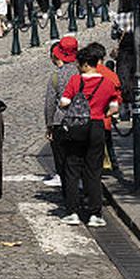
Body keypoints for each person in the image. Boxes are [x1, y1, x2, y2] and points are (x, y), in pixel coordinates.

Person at [50, 42, 121, 227]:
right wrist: (102, 112)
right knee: (94, 170)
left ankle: (73, 211)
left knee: (72, 168)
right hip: (97, 126)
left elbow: (64, 102)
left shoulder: (76, 81)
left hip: (77, 128)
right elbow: (114, 107)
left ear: (84, 64)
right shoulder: (107, 82)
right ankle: (95, 214)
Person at [40, 36, 81, 189]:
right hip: (82, 120)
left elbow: (50, 104)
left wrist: (49, 125)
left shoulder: (56, 76)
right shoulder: (81, 72)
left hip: (61, 121)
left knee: (62, 156)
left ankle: (64, 181)